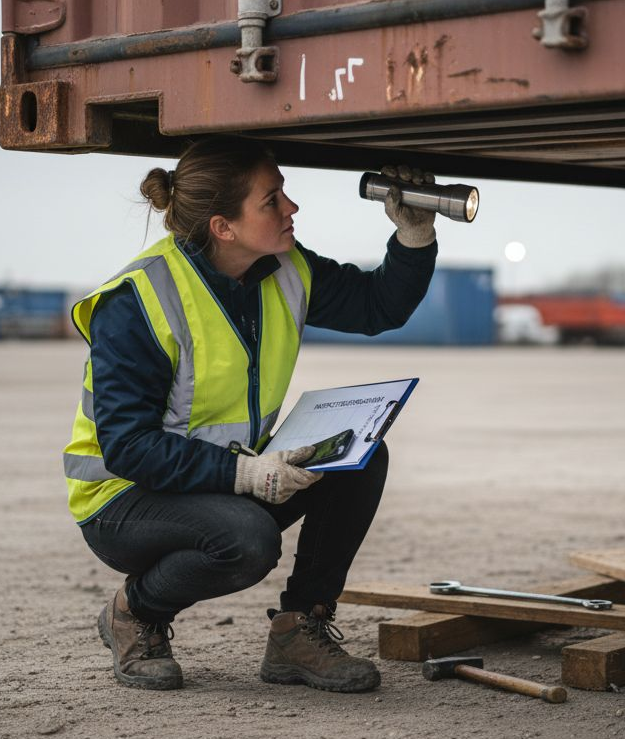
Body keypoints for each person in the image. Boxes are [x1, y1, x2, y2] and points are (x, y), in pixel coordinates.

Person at [62, 136, 438, 693]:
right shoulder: (138, 300)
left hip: (222, 475)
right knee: (249, 540)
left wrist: (414, 233)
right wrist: (248, 474)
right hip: (123, 499)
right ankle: (133, 612)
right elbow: (128, 447)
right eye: (272, 199)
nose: (291, 208)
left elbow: (378, 305)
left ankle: (297, 632)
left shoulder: (284, 268)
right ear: (223, 227)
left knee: (359, 453)